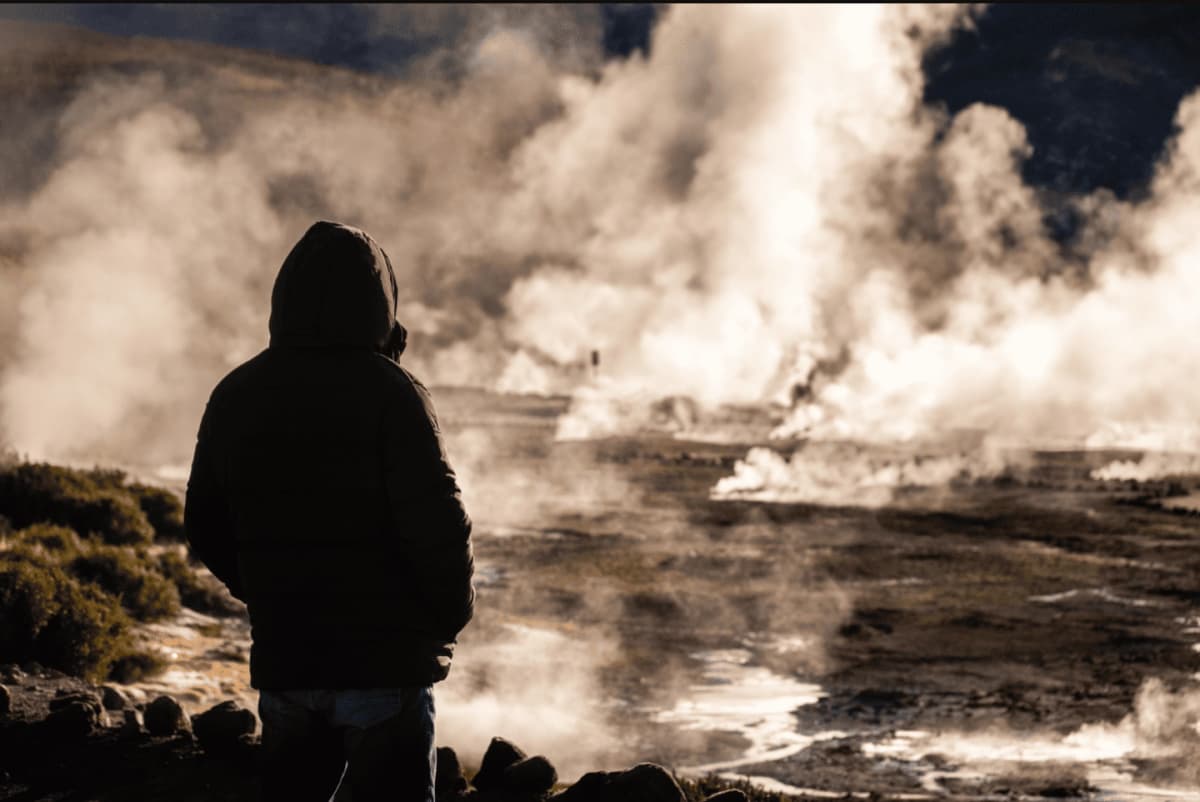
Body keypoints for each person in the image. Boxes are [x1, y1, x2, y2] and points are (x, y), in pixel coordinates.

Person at [185, 221, 475, 802]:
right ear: (379, 302)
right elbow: (438, 529)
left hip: (287, 660)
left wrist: (269, 594)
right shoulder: (394, 393)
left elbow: (204, 524)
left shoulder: (236, 392)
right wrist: (442, 622)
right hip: (385, 668)